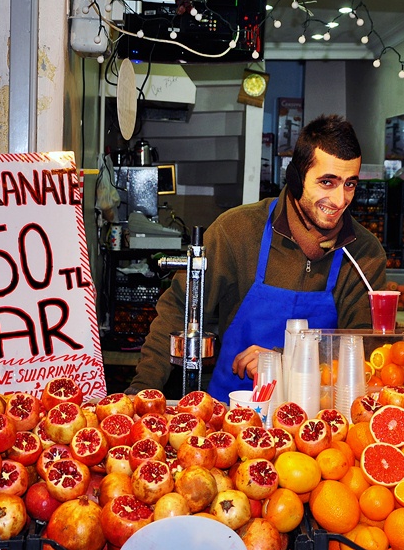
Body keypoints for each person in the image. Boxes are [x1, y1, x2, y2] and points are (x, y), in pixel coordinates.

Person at [127, 115, 387, 401]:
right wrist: (140, 392)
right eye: (327, 182)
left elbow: (362, 349)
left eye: (349, 184)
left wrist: (281, 361)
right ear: (296, 177)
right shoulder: (237, 231)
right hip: (230, 411)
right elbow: (178, 311)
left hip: (319, 421)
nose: (339, 201)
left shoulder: (364, 252)